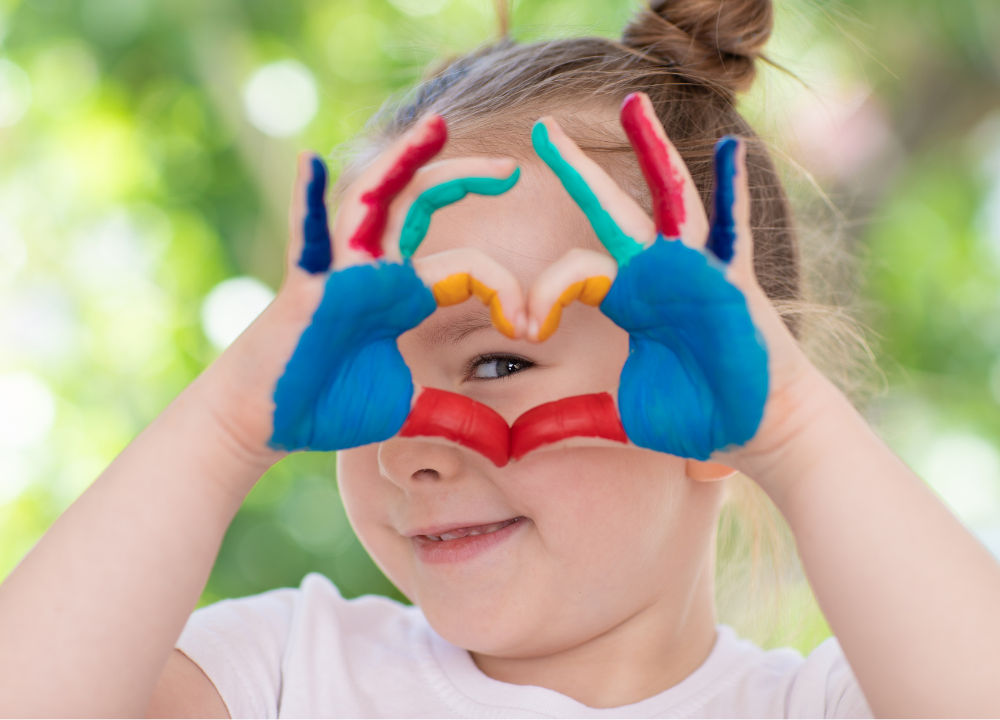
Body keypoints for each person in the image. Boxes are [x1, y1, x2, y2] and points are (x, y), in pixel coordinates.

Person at [3, 0, 1000, 717]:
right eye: (367, 376)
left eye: (493, 364)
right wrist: (228, 424)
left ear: (708, 394)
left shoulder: (821, 704)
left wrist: (795, 433)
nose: (406, 448)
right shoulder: (281, 672)